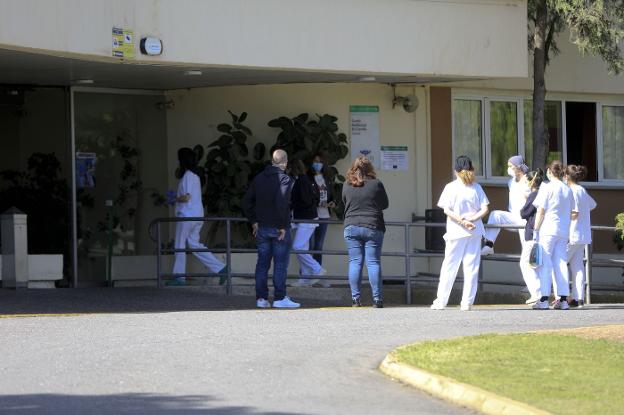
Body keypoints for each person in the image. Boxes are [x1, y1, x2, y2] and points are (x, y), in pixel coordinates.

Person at [242, 149, 300, 309]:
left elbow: (246, 202)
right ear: (285, 163)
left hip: (261, 227)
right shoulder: (284, 179)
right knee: (280, 264)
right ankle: (280, 297)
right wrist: (282, 225)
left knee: (262, 264)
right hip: (279, 228)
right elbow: (282, 202)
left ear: (272, 161)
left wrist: (253, 221)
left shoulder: (259, 178)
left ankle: (261, 298)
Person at [431, 155, 489, 311]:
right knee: (471, 267)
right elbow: (485, 209)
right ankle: (467, 302)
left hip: (456, 231)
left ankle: (441, 301)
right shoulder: (476, 187)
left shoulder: (450, 187)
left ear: (455, 170)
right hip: (474, 230)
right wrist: (472, 219)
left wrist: (463, 221)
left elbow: (447, 210)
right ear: (472, 169)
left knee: (449, 266)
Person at [170, 148, 226, 286]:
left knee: (179, 246)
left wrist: (174, 199)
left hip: (187, 216)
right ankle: (221, 269)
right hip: (196, 216)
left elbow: (186, 197)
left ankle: (179, 278)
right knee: (194, 245)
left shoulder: (188, 175)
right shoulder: (195, 175)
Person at [342, 156, 389, 308]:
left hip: (351, 226)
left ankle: (355, 299)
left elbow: (344, 203)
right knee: (373, 262)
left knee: (355, 262)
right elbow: (385, 204)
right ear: (370, 169)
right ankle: (377, 299)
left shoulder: (346, 185)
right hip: (372, 226)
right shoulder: (376, 184)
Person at [531, 160, 574, 310]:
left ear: (550, 172)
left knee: (545, 263)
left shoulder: (546, 187)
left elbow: (541, 211)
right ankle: (563, 299)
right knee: (561, 263)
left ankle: (543, 299)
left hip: (548, 229)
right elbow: (571, 211)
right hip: (563, 230)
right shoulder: (567, 189)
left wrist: (535, 229)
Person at [481, 155, 530, 255]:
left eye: (511, 166)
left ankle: (527, 255)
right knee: (495, 215)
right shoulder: (511, 182)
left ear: (518, 167)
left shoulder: (528, 181)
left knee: (526, 250)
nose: (508, 169)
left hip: (525, 219)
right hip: (513, 217)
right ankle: (489, 245)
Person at [289, 159, 327, 287]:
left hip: (306, 218)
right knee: (303, 248)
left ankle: (317, 269)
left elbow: (304, 200)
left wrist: (292, 205)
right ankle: (305, 278)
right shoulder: (305, 180)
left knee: (297, 247)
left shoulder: (301, 181)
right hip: (307, 218)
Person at [565, 165, 597, 308]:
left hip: (573, 233)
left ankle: (563, 296)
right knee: (577, 266)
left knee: (559, 263)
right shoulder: (582, 190)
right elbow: (592, 205)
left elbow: (574, 213)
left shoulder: (571, 191)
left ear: (567, 176)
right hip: (583, 234)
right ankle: (579, 298)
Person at [519, 169, 545, 304]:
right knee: (538, 264)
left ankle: (536, 293)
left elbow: (524, 213)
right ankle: (540, 295)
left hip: (532, 232)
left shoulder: (534, 194)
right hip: (543, 232)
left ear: (532, 182)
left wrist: (525, 198)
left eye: (526, 181)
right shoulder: (544, 192)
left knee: (525, 264)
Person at [308, 152, 336, 265]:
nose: (317, 164)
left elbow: (331, 195)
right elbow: (306, 196)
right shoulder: (308, 178)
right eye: (315, 161)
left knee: (319, 246)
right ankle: (306, 272)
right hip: (312, 215)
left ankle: (317, 271)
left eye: (320, 162)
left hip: (324, 216)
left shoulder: (327, 178)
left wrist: (332, 202)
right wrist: (318, 203)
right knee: (310, 245)